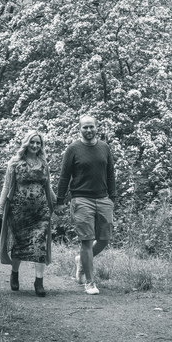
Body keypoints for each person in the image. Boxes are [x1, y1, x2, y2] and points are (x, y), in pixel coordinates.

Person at [55, 115, 116, 295]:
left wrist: (112, 198)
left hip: (103, 198)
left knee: (104, 239)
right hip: (81, 199)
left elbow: (110, 174)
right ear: (79, 129)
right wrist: (59, 201)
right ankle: (89, 282)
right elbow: (64, 176)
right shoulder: (73, 149)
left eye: (91, 127)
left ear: (96, 127)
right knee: (87, 240)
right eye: (85, 128)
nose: (88, 130)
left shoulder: (104, 148)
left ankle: (81, 261)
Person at [0, 130, 56, 297]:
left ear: (41, 146)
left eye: (38, 143)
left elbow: (48, 187)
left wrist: (58, 203)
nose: (35, 145)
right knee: (20, 245)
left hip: (40, 212)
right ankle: (14, 273)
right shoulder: (15, 163)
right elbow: (7, 186)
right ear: (26, 143)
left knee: (40, 246)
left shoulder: (43, 163)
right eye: (32, 142)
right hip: (19, 213)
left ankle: (39, 282)